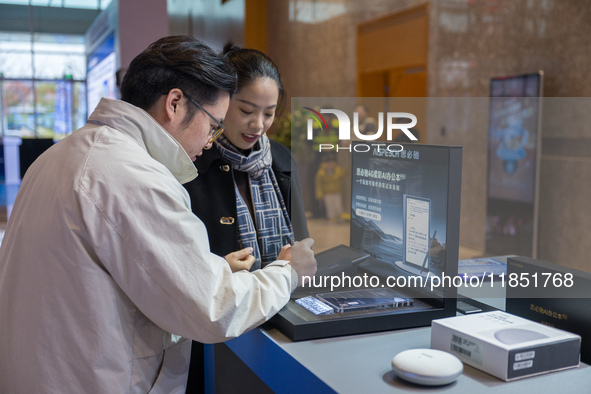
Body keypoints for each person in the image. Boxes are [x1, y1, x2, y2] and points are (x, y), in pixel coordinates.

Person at [0, 36, 316, 394]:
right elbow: (213, 308)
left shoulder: (63, 155)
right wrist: (287, 272)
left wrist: (206, 268)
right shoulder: (135, 178)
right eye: (213, 124)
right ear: (176, 103)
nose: (211, 141)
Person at [184, 43, 308, 269]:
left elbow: (302, 244)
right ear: (222, 101)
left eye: (269, 113)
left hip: (287, 297)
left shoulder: (281, 159)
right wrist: (220, 268)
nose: (258, 125)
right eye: (246, 111)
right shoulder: (195, 160)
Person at [314, 153, 347, 223]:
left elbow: (343, 174)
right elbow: (318, 184)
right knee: (330, 207)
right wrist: (319, 194)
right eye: (329, 163)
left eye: (332, 163)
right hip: (327, 193)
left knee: (338, 206)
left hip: (337, 192)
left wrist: (346, 168)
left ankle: (340, 218)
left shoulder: (338, 170)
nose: (331, 165)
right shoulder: (321, 172)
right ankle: (332, 219)